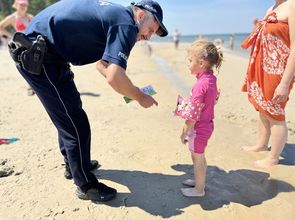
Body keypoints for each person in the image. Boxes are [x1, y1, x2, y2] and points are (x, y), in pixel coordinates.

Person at [10, 0, 168, 202]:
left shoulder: (118, 16)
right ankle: (86, 185)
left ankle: (73, 165)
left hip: (48, 54)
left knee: (69, 113)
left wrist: (130, 90)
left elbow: (102, 66)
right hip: (38, 56)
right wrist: (139, 95)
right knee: (76, 123)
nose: (148, 37)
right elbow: (114, 77)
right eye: (151, 29)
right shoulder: (126, 24)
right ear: (140, 16)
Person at [241, 0, 295, 168]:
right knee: (262, 107)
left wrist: (284, 83)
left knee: (274, 112)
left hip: (279, 69)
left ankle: (273, 158)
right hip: (263, 65)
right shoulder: (271, 8)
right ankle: (262, 144)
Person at [174, 38, 223, 197]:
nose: (187, 63)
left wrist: (183, 132)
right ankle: (199, 181)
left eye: (190, 60)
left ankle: (199, 190)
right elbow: (213, 99)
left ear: (201, 63)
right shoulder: (210, 79)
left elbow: (193, 117)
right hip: (207, 124)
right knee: (198, 157)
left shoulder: (200, 85)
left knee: (198, 159)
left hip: (199, 128)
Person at [0, 0, 35, 96]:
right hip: (20, 45)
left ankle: (34, 85)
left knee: (36, 64)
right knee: (25, 66)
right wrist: (11, 35)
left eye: (25, 4)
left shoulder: (30, 17)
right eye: (21, 4)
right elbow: (1, 26)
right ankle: (30, 86)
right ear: (16, 5)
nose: (23, 6)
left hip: (31, 43)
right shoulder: (13, 17)